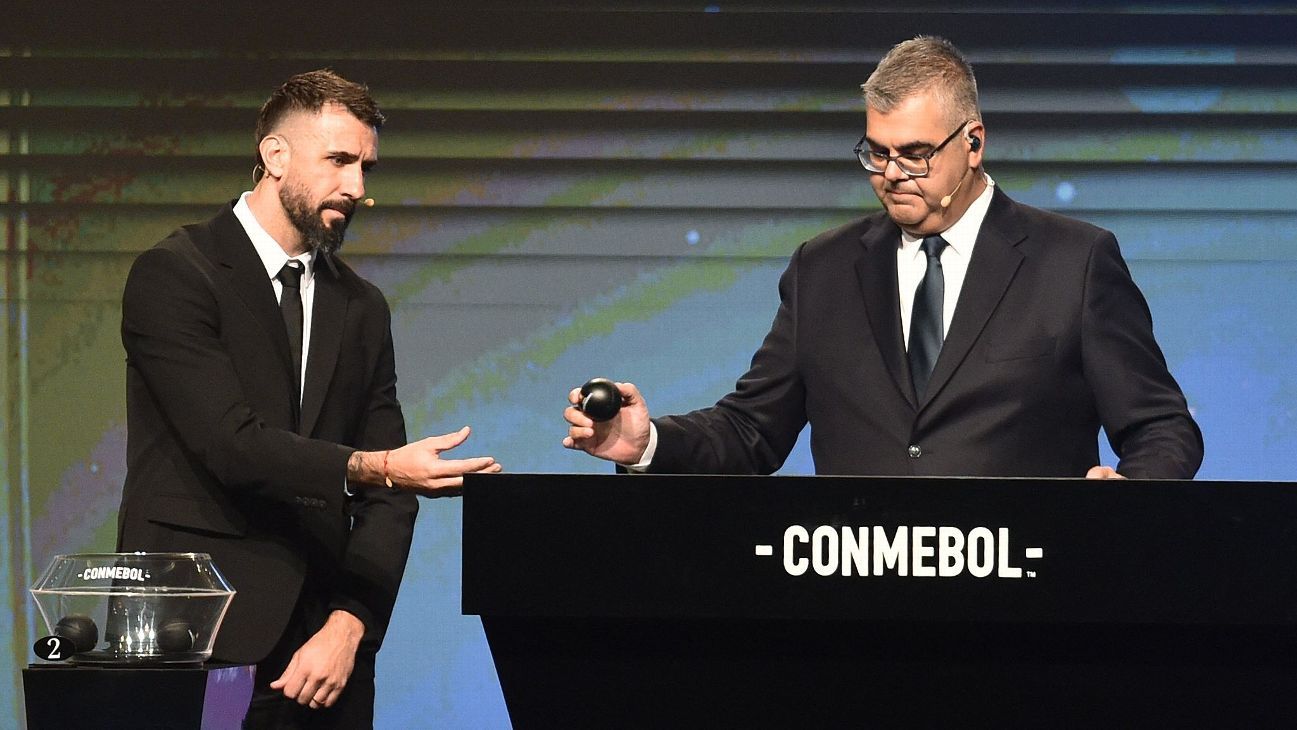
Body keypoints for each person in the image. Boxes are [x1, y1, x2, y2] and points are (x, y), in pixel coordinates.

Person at [564, 36, 1202, 480]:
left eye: (915, 153)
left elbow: (1162, 425)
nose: (892, 174)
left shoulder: (1076, 261)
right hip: (856, 623)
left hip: (1023, 619)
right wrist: (643, 443)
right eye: (876, 153)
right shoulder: (824, 268)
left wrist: (1128, 501)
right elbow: (752, 430)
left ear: (973, 141)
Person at [118, 69, 501, 728]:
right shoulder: (176, 275)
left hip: (323, 658)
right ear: (274, 156)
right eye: (339, 161)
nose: (356, 188)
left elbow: (390, 497)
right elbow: (231, 445)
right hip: (200, 639)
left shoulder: (360, 307)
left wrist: (349, 625)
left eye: (365, 169)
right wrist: (375, 466)